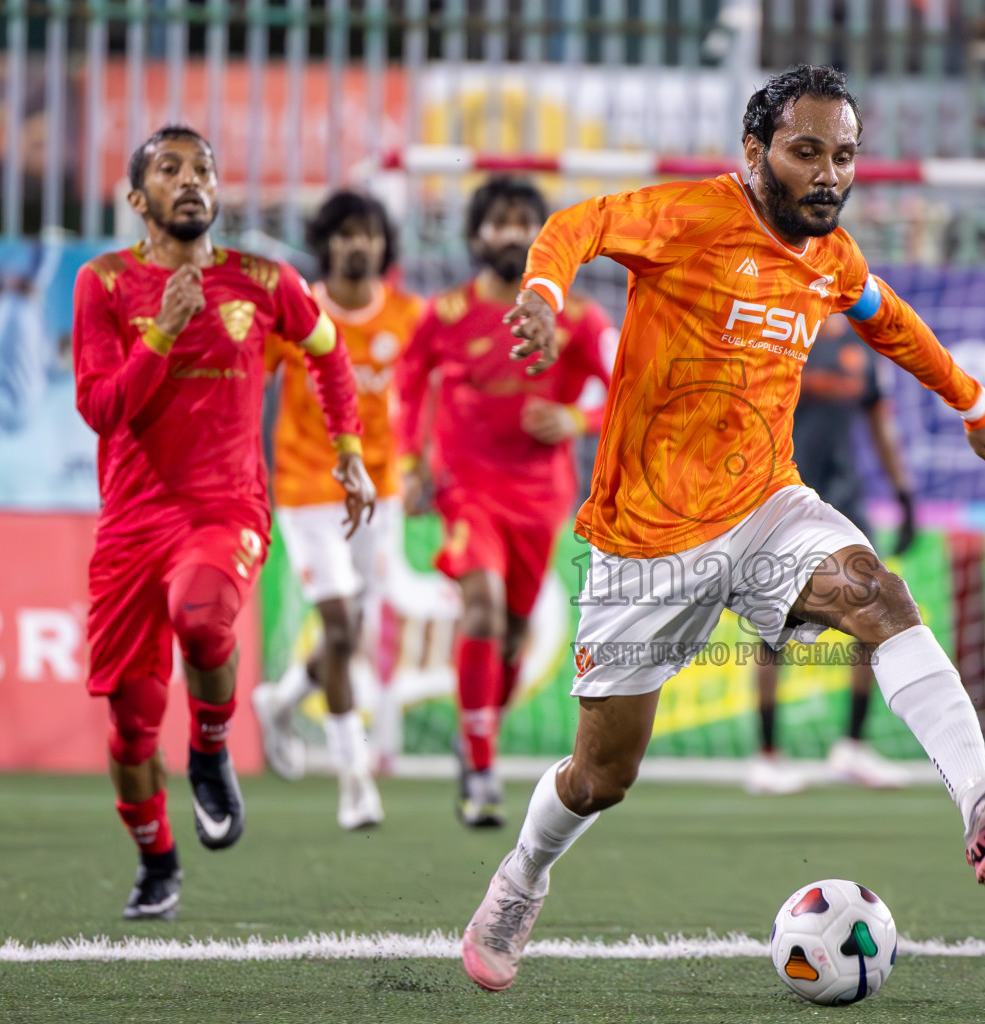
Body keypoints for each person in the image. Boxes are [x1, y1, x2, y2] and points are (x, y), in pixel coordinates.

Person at [460, 65, 985, 992]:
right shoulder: (688, 216)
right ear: (755, 154)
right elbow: (576, 225)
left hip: (765, 508)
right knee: (601, 776)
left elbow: (889, 319)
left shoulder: (829, 257)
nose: (829, 174)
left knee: (881, 595)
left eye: (844, 156)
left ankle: (984, 806)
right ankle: (520, 878)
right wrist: (545, 297)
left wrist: (973, 402)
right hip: (646, 542)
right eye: (806, 152)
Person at [72, 125, 373, 921]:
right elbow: (101, 411)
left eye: (203, 167)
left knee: (203, 615)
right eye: (169, 170)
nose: (192, 180)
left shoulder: (263, 279)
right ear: (139, 201)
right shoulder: (102, 285)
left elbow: (329, 348)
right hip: (131, 528)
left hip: (224, 508)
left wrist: (349, 446)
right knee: (132, 730)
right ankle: (157, 857)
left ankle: (210, 747)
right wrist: (163, 334)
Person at [396, 178, 615, 830]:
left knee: (513, 630)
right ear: (474, 236)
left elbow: (627, 386)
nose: (512, 235)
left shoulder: (578, 319)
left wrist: (577, 420)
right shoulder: (442, 316)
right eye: (499, 222)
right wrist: (411, 464)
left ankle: (478, 736)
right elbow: (409, 389)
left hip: (540, 498)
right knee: (483, 607)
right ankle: (481, 766)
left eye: (526, 223)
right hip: (466, 492)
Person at [252, 190, 422, 830]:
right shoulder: (295, 314)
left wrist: (423, 459)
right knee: (344, 632)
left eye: (369, 233)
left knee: (350, 627)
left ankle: (281, 699)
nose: (359, 245)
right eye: (346, 234)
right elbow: (249, 384)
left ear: (384, 244)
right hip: (307, 489)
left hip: (379, 494)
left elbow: (432, 388)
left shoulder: (408, 315)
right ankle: (355, 781)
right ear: (327, 242)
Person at [745, 312, 918, 795]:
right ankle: (766, 753)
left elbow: (879, 420)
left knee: (875, 606)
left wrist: (904, 494)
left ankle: (852, 744)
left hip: (847, 498)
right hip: (785, 494)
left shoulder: (862, 350)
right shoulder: (782, 334)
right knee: (772, 623)